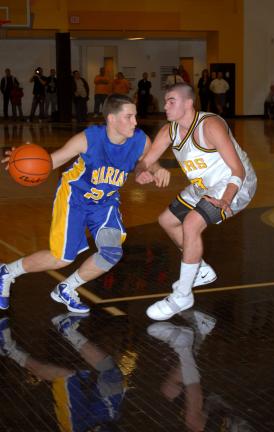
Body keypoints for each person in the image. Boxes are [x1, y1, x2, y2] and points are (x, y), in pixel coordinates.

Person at [0, 94, 170, 313]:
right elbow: (52, 162)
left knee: (111, 252)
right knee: (61, 258)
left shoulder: (140, 140)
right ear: (111, 119)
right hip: (75, 198)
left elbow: (148, 161)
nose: (135, 122)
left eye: (135, 116)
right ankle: (7, 272)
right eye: (129, 117)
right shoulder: (88, 139)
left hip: (105, 203)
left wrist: (155, 170)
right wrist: (24, 159)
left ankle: (66, 288)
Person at [135, 83, 257, 321]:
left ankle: (182, 295)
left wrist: (226, 199)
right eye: (165, 101)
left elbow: (238, 169)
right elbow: (145, 160)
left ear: (188, 103)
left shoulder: (210, 126)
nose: (165, 106)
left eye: (171, 101)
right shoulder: (169, 130)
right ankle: (199, 268)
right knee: (167, 220)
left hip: (235, 183)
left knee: (191, 224)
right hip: (204, 186)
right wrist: (142, 170)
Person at [0, 313, 125, 430]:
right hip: (108, 417)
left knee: (65, 376)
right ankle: (67, 328)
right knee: (110, 371)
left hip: (81, 425)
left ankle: (8, 349)